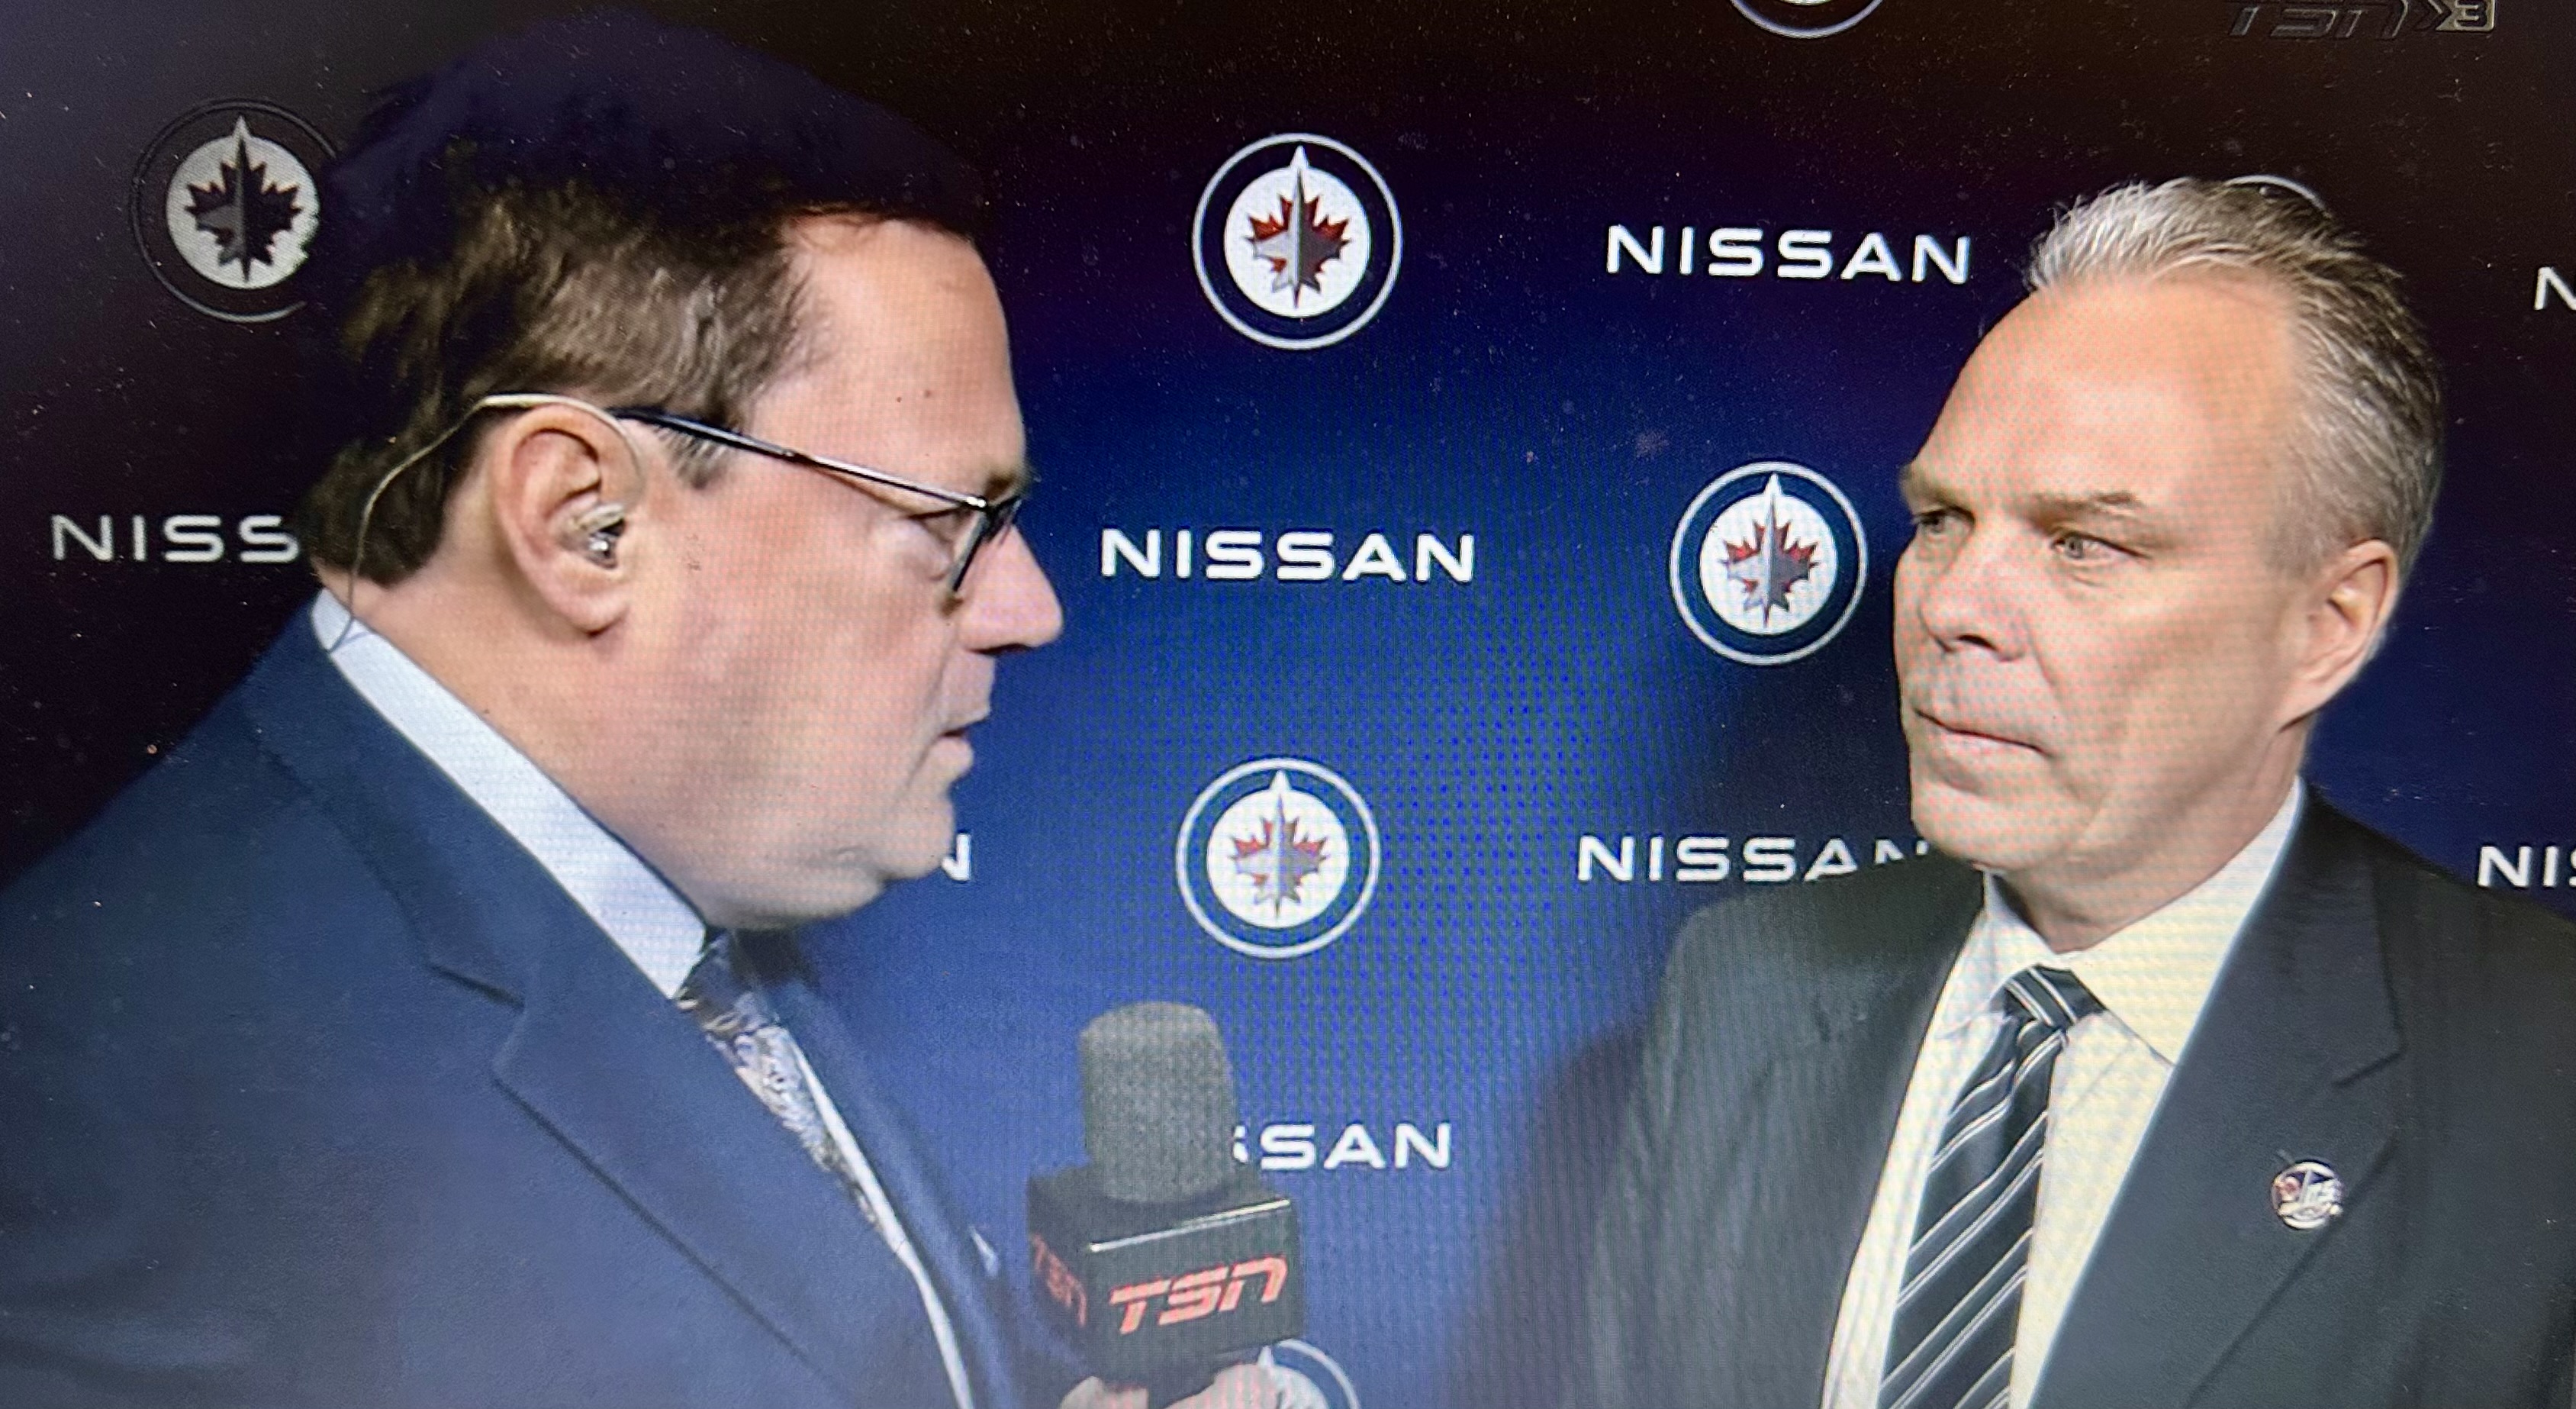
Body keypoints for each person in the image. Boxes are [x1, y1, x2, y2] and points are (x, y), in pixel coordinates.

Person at [0, 13, 1093, 1407]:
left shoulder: (690, 870)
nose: (1030, 607)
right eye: (952, 518)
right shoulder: (96, 1109)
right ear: (586, 523)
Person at [1572, 178, 2576, 1409]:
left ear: (2328, 621)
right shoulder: (1745, 984)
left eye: (2082, 543)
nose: (1953, 606)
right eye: (1942, 518)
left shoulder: (2542, 1069)